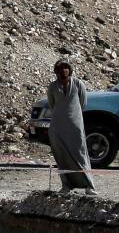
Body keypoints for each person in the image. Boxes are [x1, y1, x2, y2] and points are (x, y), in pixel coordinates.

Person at [46, 61, 95, 194]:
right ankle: (66, 185)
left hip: (75, 126)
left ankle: (89, 185)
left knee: (80, 154)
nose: (63, 71)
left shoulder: (78, 84)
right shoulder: (53, 87)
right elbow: (52, 105)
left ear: (70, 70)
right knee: (62, 157)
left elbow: (82, 104)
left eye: (66, 68)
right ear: (56, 71)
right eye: (60, 68)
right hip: (58, 127)